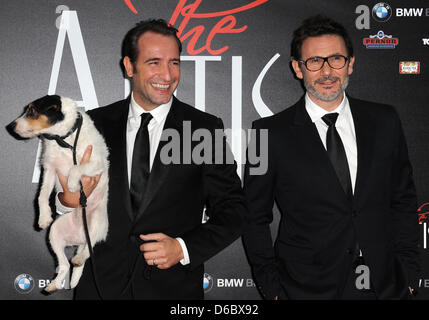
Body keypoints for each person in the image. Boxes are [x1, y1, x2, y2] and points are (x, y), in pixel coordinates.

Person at [56, 19, 246, 299]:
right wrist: (66, 203)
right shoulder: (91, 125)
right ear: (129, 66)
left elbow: (234, 209)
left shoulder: (203, 129)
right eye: (154, 62)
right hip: (98, 288)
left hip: (172, 290)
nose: (167, 75)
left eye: (174, 63)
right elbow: (67, 199)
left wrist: (183, 248)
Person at [242, 15, 420, 300]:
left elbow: (404, 199)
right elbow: (253, 217)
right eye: (314, 61)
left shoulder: (385, 121)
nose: (326, 71)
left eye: (336, 59)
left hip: (385, 287)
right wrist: (272, 288)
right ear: (298, 69)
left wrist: (409, 275)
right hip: (303, 289)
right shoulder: (268, 133)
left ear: (350, 63)